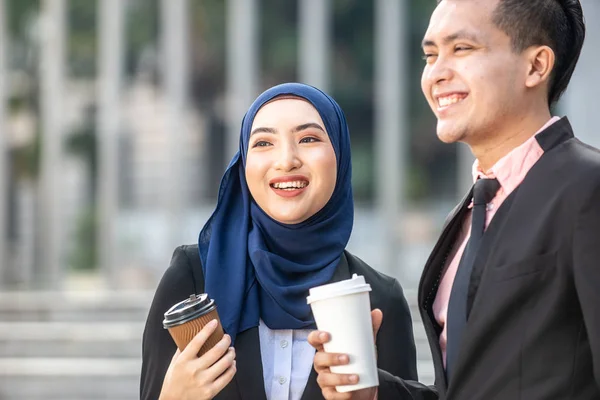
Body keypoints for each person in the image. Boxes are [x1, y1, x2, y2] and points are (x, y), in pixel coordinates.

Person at [309, 0, 600, 399]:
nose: (437, 74)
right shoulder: (465, 216)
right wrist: (374, 393)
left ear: (536, 66)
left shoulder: (587, 187)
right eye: (431, 55)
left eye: (461, 49)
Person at [140, 82, 418, 400]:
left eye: (309, 138)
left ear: (340, 155)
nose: (286, 160)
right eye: (263, 143)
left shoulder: (379, 300)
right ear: (244, 163)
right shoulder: (193, 279)